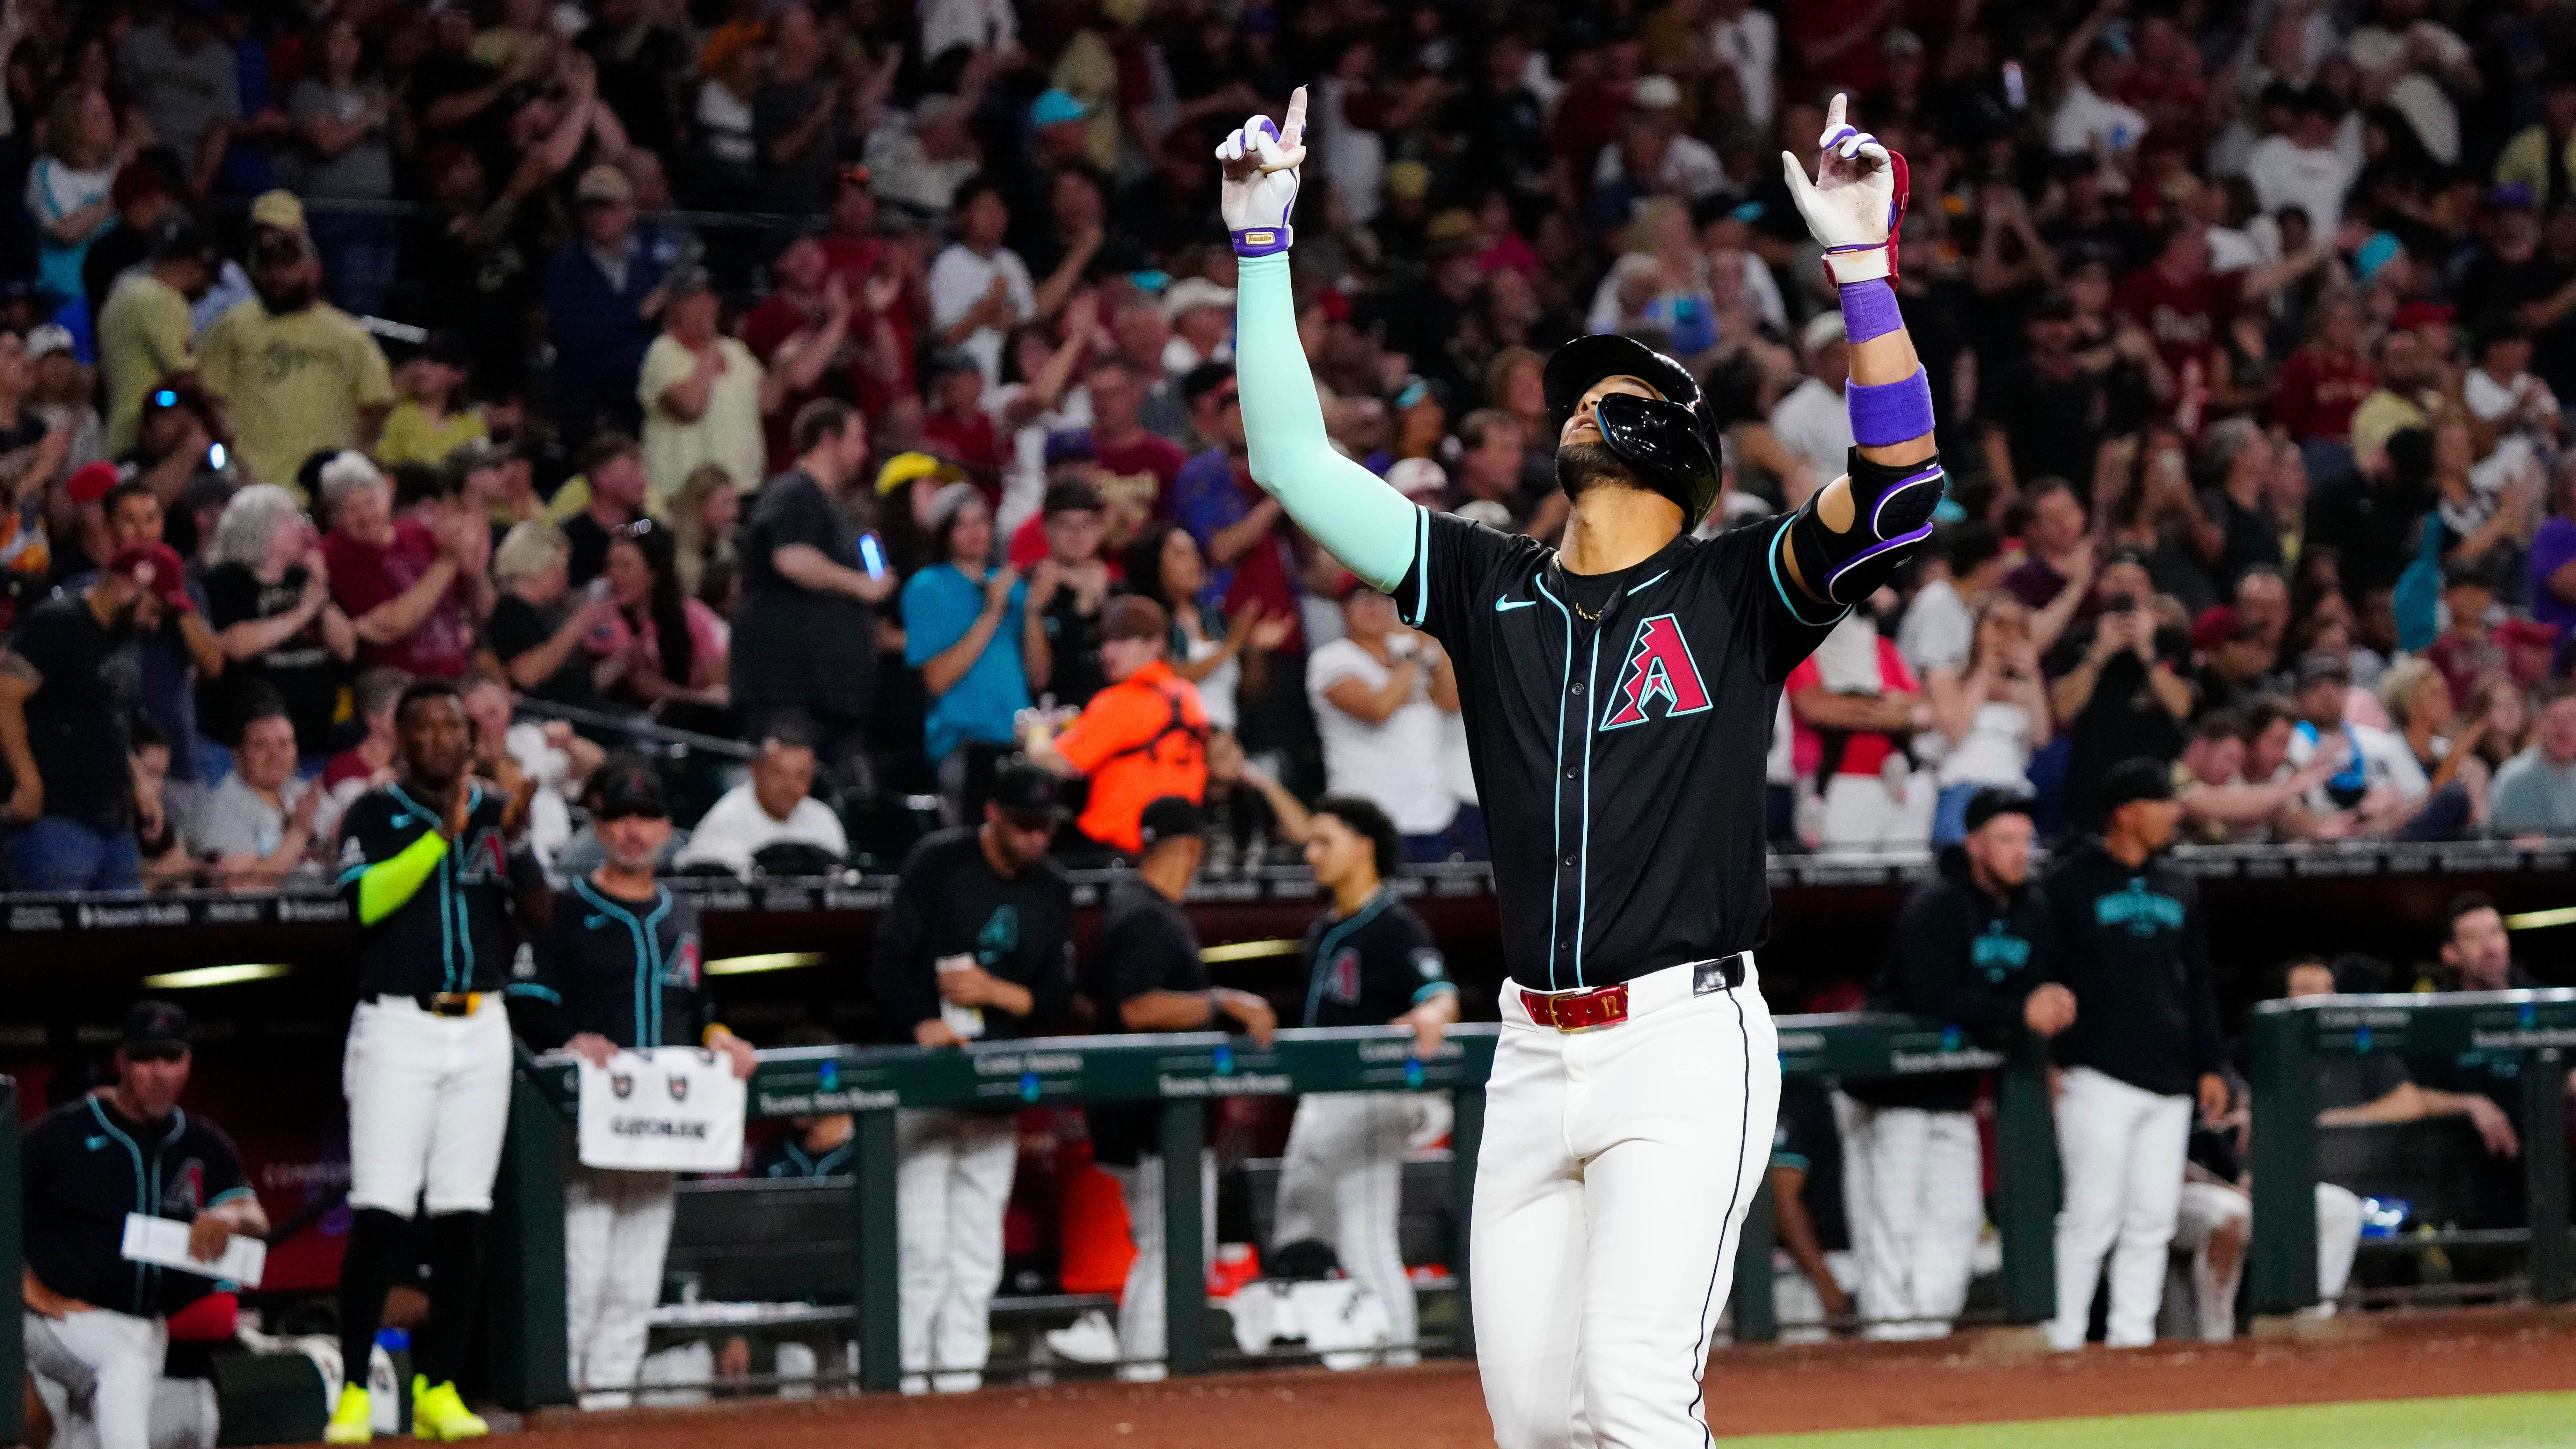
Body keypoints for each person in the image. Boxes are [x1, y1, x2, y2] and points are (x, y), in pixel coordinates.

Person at [1219, 89, 1936, 1443]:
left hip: (1681, 1036)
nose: (1579, 402)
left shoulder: (1737, 585)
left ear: (1676, 442)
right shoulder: (1486, 582)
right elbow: (1290, 460)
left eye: (1611, 390)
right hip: (1529, 1046)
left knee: (1632, 1397)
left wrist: (1857, 267)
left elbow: (1898, 489)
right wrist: (1262, 246)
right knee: (1541, 1424)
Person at [324, 679, 549, 1444]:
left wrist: (516, 833)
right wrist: (442, 834)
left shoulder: (495, 812)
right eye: (426, 729)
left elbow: (542, 912)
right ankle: (355, 1389)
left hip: (482, 1023)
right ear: (399, 739)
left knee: (464, 1215)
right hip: (399, 1026)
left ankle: (440, 1385)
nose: (444, 740)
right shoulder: (374, 811)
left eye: (455, 727)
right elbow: (365, 902)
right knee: (382, 1212)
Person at [505, 759, 756, 1407]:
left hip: (663, 1120)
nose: (634, 831)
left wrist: (719, 1035)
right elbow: (528, 996)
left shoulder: (684, 913)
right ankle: (562, 1398)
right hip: (585, 1121)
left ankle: (609, 1403)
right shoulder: (564, 907)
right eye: (619, 817)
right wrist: (569, 1037)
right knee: (581, 1269)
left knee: (636, 1278)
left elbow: (697, 1003)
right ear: (598, 824)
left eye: (646, 817)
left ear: (668, 827)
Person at [867, 759, 1076, 1393]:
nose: (1038, 839)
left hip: (995, 1085)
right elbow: (888, 961)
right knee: (921, 1248)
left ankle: (958, 1383)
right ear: (993, 813)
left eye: (1046, 827)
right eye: (1026, 825)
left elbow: (1056, 999)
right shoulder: (940, 862)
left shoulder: (1053, 888)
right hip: (929, 1081)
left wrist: (996, 991)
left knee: (977, 1249)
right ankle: (905, 1383)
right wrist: (922, 1021)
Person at [1839, 790, 2070, 1340]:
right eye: (2005, 841)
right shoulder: (1936, 903)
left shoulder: (2031, 909)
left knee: (1959, 1219)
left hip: (1952, 1090)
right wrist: (2021, 1011)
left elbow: (2029, 992)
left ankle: (1928, 1338)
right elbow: (1931, 997)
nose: (2020, 853)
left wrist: (2043, 1012)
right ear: (1974, 845)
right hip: (1888, 1090)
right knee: (1892, 1224)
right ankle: (1888, 1340)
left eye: (2025, 840)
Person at [1080, 796, 1276, 1380]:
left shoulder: (1132, 908)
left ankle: (1147, 1371)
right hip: (1153, 1120)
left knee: (1168, 1245)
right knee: (1173, 1247)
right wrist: (1224, 1000)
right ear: (1191, 847)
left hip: (1136, 1115)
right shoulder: (1145, 914)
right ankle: (1144, 1374)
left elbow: (1089, 1000)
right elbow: (1138, 1007)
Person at [2040, 758, 2226, 1352]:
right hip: (2095, 1072)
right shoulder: (2068, 882)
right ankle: (2064, 1339)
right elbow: (2043, 974)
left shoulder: (2180, 884)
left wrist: (2211, 1065)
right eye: (2162, 801)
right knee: (2091, 1216)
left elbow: (2198, 978)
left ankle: (2132, 1340)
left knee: (2152, 1219)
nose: (2174, 812)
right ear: (2126, 811)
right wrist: (2046, 1057)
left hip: (2170, 1076)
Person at [1267, 794, 1459, 1366]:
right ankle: (1332, 1353)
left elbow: (1438, 993)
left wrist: (1432, 1014)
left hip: (1371, 1094)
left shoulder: (1395, 924)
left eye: (1325, 840)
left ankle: (1400, 1367)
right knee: (1300, 1231)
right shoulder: (1325, 926)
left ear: (1363, 846)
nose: (1312, 852)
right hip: (1321, 1098)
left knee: (1365, 1236)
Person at [22, 1002, 264, 1449]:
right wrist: (20, 1282)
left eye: (171, 1058)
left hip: (145, 1323)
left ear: (188, 1062)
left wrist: (232, 1215)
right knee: (125, 1361)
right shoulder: (64, 1132)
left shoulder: (203, 1141)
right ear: (121, 1061)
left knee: (101, 1411)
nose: (159, 1071)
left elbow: (254, 1216)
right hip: (57, 1317)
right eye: (145, 1057)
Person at [0, 545, 187, 890]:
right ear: (130, 586)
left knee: (123, 936)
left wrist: (139, 784)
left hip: (114, 824)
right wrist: (27, 782)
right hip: (57, 819)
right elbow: (5, 696)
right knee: (58, 938)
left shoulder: (127, 633)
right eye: (154, 608)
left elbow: (112, 717)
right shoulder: (56, 622)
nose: (155, 621)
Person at [732, 401, 893, 785]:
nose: (864, 452)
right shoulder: (793, 491)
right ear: (827, 440)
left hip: (832, 700)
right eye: (856, 439)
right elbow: (791, 558)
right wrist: (861, 585)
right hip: (790, 694)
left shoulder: (839, 511)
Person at [198, 197, 395, 497]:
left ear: (314, 269)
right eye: (268, 266)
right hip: (256, 487)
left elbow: (377, 404)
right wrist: (233, 465)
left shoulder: (347, 334)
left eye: (288, 265)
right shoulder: (233, 327)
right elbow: (211, 399)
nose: (278, 276)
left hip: (327, 490)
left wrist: (350, 465)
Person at [1022, 595, 1210, 855]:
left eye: (1122, 641)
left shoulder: (1120, 700)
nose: (1108, 652)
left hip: (1119, 850)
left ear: (1156, 644)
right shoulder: (1187, 694)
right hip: (1175, 851)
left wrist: (1036, 732)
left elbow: (1055, 764)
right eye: (1106, 641)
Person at [903, 488, 1047, 816]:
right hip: (963, 744)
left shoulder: (1011, 585)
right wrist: (992, 612)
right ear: (944, 533)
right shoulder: (926, 587)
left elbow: (1039, 677)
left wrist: (1033, 610)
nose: (975, 533)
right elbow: (936, 681)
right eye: (961, 524)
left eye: (982, 522)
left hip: (1019, 741)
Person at [200, 485, 358, 767]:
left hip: (316, 737)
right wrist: (303, 611)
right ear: (261, 529)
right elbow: (236, 646)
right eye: (292, 520)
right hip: (249, 745)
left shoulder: (302, 579)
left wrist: (321, 596)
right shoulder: (226, 580)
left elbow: (346, 649)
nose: (303, 527)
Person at [1307, 584, 1463, 859]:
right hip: (1368, 821)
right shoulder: (1330, 658)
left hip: (1433, 814)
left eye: (1380, 598)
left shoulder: (1410, 653)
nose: (1373, 606)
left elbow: (1451, 704)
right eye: (1360, 598)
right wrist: (1415, 654)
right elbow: (1379, 710)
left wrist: (1436, 644)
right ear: (1342, 608)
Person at [320, 452, 489, 680]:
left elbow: (482, 613)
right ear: (335, 517)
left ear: (387, 496)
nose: (366, 516)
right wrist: (448, 562)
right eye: (352, 510)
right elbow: (391, 626)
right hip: (399, 683)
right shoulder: (334, 554)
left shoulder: (417, 534)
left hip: (456, 673)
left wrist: (476, 575)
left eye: (370, 503)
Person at [637, 266, 772, 505]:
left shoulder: (736, 351)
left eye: (711, 297)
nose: (706, 306)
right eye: (694, 298)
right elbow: (691, 407)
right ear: (674, 306)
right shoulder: (662, 353)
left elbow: (768, 404)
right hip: (684, 495)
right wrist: (710, 346)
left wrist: (785, 367)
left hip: (741, 489)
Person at [96, 220, 220, 457]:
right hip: (156, 442)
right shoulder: (164, 300)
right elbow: (186, 378)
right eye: (208, 276)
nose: (208, 291)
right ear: (192, 266)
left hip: (118, 435)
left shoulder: (121, 294)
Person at [668, 731, 847, 878]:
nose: (789, 786)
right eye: (779, 773)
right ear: (755, 771)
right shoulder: (728, 816)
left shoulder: (823, 817)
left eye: (801, 776)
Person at [185, 699, 321, 889]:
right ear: (238, 756)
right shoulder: (221, 810)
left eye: (284, 744)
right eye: (261, 746)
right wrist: (299, 833)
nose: (275, 755)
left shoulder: (303, 791)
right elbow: (241, 888)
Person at [2488, 679, 2576, 836]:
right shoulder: (2516, 778)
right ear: (2539, 724)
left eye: (2572, 719)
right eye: (2555, 720)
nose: (2565, 730)